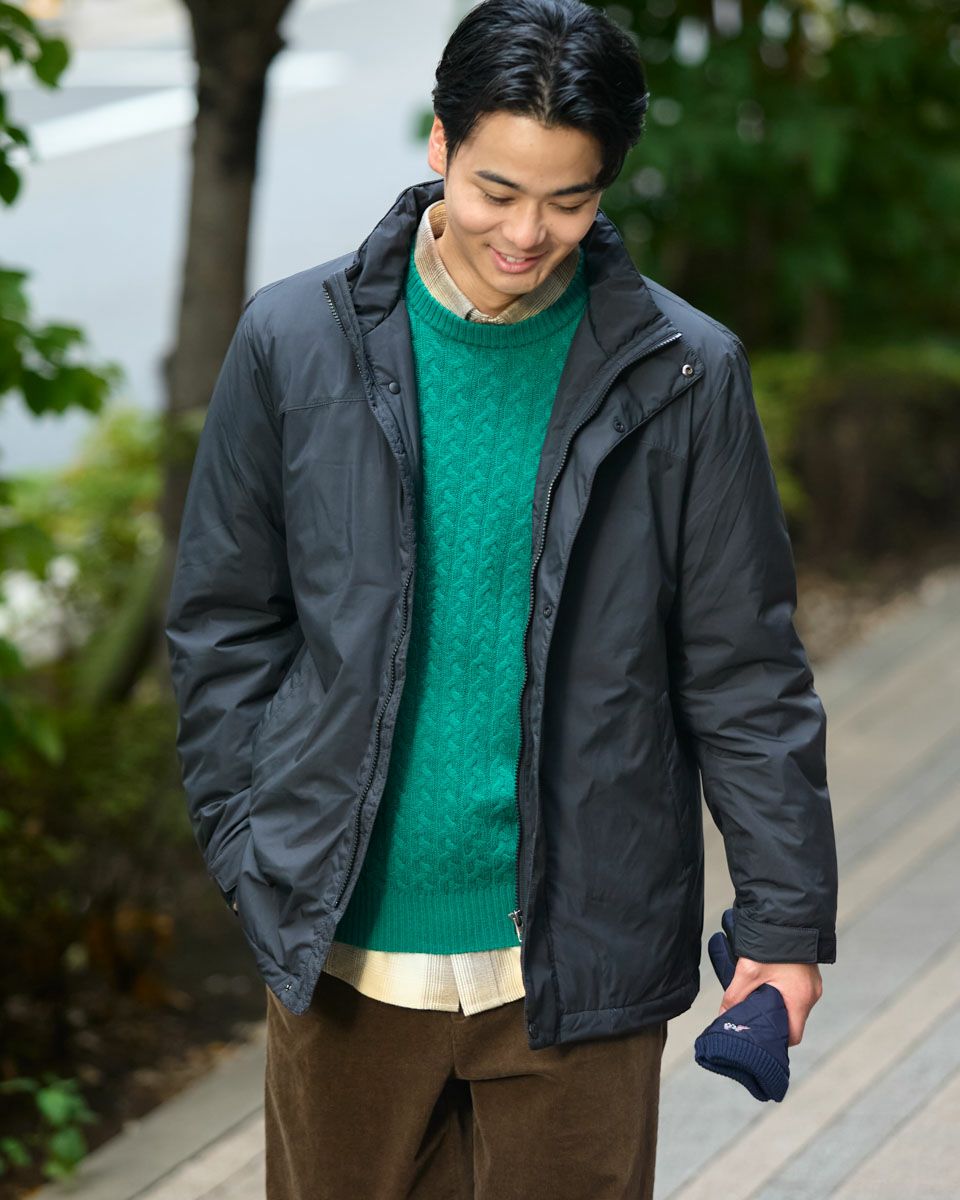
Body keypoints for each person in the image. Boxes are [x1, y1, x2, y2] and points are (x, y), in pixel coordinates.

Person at [164, 1, 838, 1196]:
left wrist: (784, 927)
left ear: (608, 181)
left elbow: (744, 672)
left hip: (581, 969)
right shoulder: (295, 341)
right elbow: (224, 624)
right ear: (440, 144)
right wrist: (253, 849)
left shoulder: (686, 375)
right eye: (496, 190)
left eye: (568, 201)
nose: (526, 234)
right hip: (346, 960)